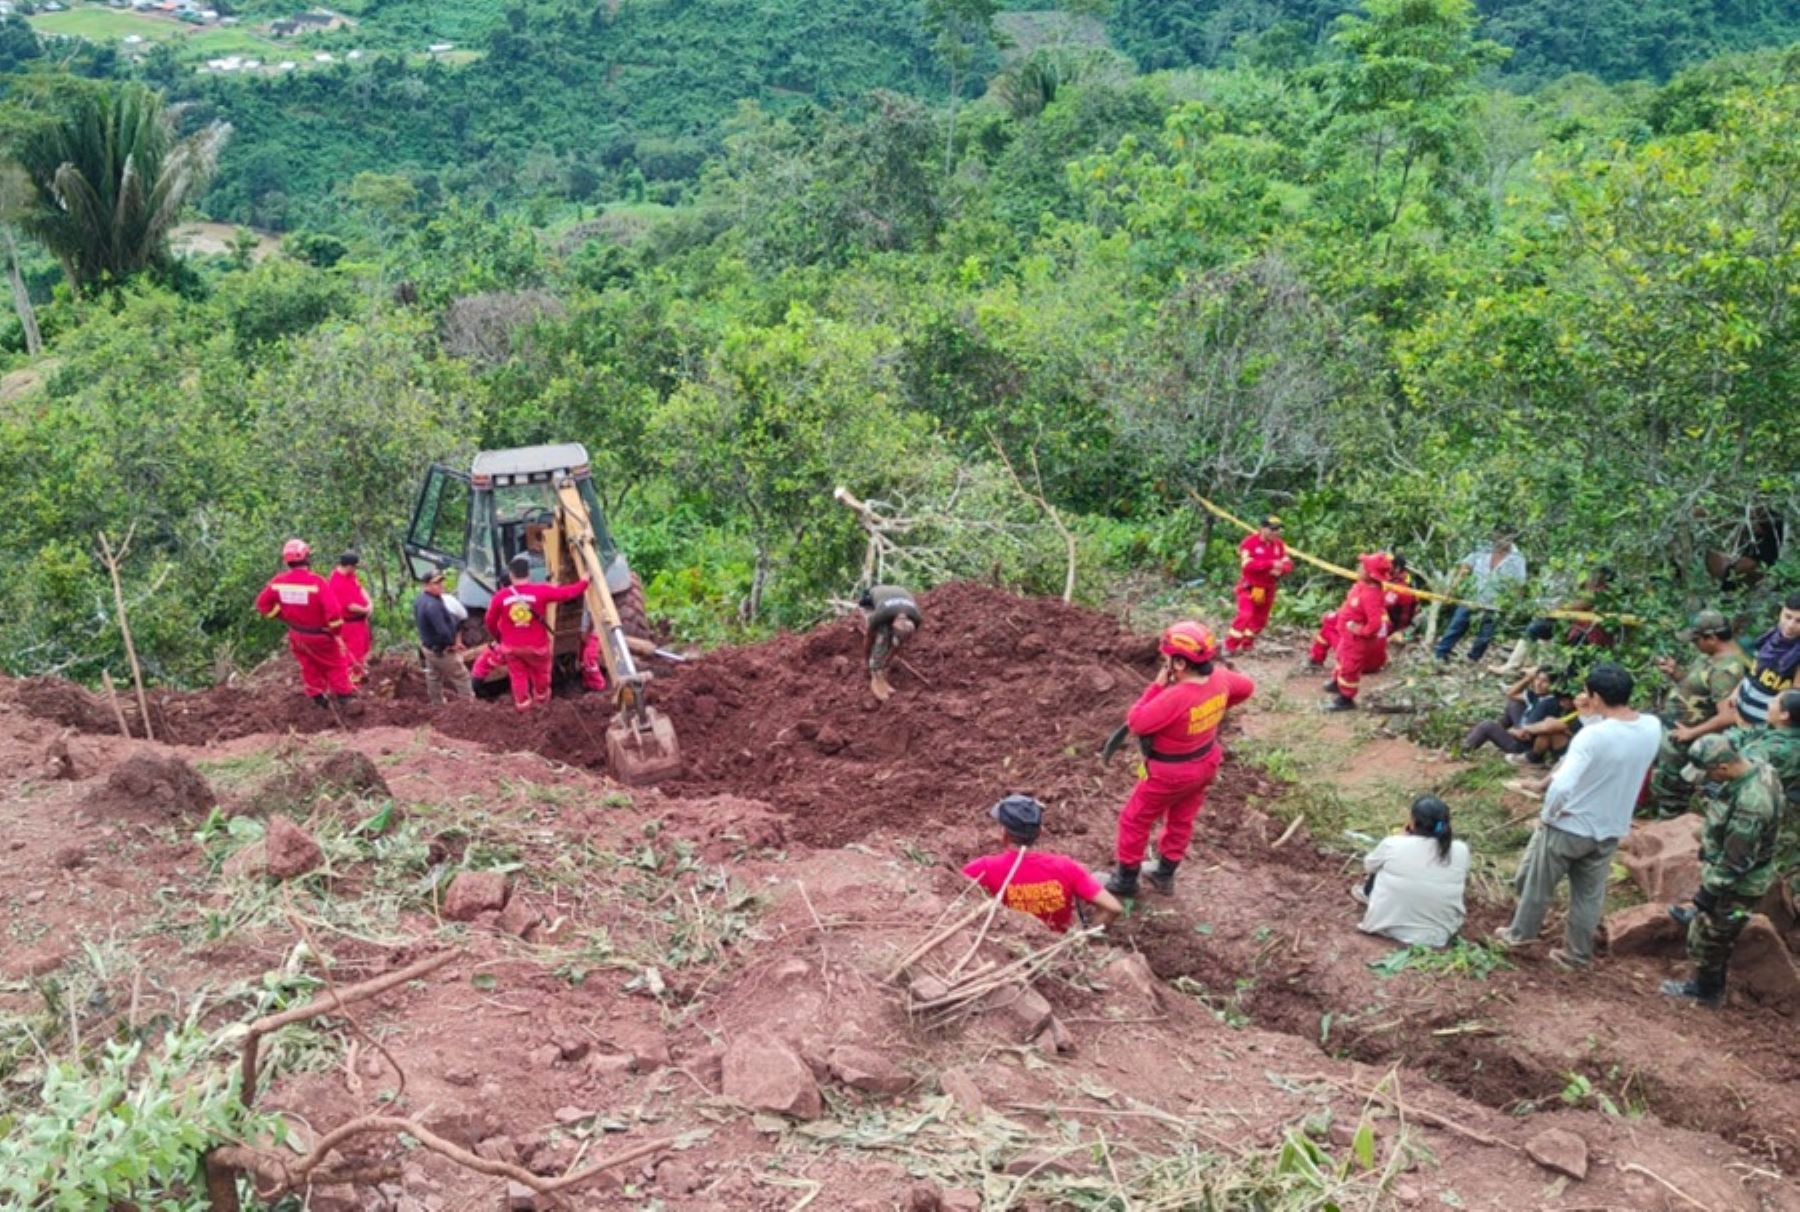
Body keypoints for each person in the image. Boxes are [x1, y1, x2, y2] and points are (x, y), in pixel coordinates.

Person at [1494, 663, 1661, 970]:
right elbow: (1617, 736)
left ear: (1596, 695)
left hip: (1571, 824)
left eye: (1587, 693)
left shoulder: (1591, 737)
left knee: (1537, 885)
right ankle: (1576, 955)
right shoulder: (1651, 727)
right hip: (1610, 828)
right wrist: (1591, 716)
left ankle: (1520, 935)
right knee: (1588, 895)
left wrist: (1549, 815)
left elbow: (1562, 784)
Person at [1106, 621, 1254, 898]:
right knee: (1182, 818)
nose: (1164, 664)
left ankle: (1125, 881)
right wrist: (1217, 709)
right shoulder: (1220, 679)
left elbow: (1136, 722)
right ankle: (1165, 874)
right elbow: (1246, 687)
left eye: (1167, 660)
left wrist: (1156, 686)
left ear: (1180, 664)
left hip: (1169, 773)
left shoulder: (1176, 697)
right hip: (1205, 762)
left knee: (1134, 819)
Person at [1660, 734, 1784, 1008]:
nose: (1705, 780)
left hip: (1739, 884)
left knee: (1712, 940)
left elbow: (1736, 862)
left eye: (1708, 774)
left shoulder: (1751, 806)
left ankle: (1706, 991)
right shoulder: (1758, 767)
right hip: (1730, 870)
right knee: (1712, 921)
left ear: (1723, 767)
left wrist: (1709, 891)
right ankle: (1705, 916)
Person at [962, 794, 1123, 933]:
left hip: (1012, 949)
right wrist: (1084, 939)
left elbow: (950, 888)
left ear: (1004, 834)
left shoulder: (984, 868)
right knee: (1098, 879)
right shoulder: (1066, 866)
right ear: (1039, 832)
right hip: (1056, 949)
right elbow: (1113, 908)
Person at [1644, 611, 1751, 816]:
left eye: (1696, 640)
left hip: (1688, 739)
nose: (1694, 644)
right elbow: (1699, 689)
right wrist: (1676, 673)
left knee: (1673, 791)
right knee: (1664, 785)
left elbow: (1728, 716)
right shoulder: (1709, 657)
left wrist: (1691, 734)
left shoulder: (1726, 670)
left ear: (1712, 638)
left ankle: (1672, 831)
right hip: (1677, 732)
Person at [1355, 796, 1471, 948]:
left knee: (1380, 865)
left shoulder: (1393, 844)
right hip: (1440, 935)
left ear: (1413, 822)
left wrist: (1403, 837)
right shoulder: (1461, 849)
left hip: (1386, 927)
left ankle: (1367, 896)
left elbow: (1368, 866)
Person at [483, 555, 589, 711]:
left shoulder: (500, 596)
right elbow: (567, 593)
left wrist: (500, 638)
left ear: (511, 575)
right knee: (541, 676)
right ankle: (541, 706)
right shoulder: (541, 591)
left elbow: (489, 621)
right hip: (537, 647)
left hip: (512, 648)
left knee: (518, 678)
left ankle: (524, 709)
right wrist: (584, 581)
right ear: (529, 574)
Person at [1434, 532, 1527, 664]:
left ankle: (1473, 659)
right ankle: (1440, 654)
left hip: (1495, 602)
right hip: (1473, 596)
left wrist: (1514, 604)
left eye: (1506, 538)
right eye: (1499, 537)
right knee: (1457, 624)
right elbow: (1466, 567)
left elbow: (1519, 584)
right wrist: (1453, 588)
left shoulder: (1517, 559)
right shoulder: (1482, 548)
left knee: (1485, 634)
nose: (1501, 541)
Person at [1323, 552, 1392, 712]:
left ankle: (1346, 698)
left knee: (1350, 666)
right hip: (1347, 636)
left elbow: (1375, 623)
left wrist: (1361, 631)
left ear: (1370, 573)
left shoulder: (1372, 595)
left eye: (1363, 566)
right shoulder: (1361, 586)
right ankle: (1337, 682)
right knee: (1341, 657)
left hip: (1357, 640)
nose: (1359, 568)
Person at [1725, 591, 1800, 726]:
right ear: (1781, 612)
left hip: (1763, 727)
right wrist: (1737, 690)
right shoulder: (1771, 636)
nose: (1790, 625)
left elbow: (1794, 701)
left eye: (1798, 621)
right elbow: (1755, 671)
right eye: (1787, 617)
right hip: (1739, 714)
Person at [1459, 668, 1566, 758]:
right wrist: (1527, 679)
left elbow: (1525, 735)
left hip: (1521, 746)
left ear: (1553, 685)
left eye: (1545, 681)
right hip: (1522, 727)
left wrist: (1509, 731)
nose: (1538, 684)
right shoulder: (1538, 695)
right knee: (1514, 703)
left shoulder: (1547, 704)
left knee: (1487, 726)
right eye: (1537, 679)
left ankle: (1461, 751)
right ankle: (1492, 731)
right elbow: (1511, 694)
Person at [1225, 516, 1293, 655]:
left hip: (1267, 588)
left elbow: (1287, 562)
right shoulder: (1249, 543)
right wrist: (1270, 564)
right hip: (1249, 587)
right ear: (1262, 529)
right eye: (1273, 529)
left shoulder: (1279, 545)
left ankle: (1247, 644)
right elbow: (1247, 565)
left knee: (1260, 620)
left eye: (1278, 529)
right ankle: (1229, 646)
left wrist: (1281, 570)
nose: (1276, 533)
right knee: (1245, 614)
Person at [413, 570, 474, 705]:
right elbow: (443, 631)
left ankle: (437, 704)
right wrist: (452, 644)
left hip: (428, 647)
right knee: (461, 676)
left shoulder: (421, 600)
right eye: (436, 583)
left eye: (441, 581)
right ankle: (469, 707)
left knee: (433, 676)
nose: (441, 585)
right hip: (441, 650)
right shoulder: (433, 605)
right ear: (426, 585)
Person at [858, 585, 922, 702]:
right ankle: (875, 675)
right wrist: (868, 662)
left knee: (895, 639)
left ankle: (880, 671)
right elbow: (869, 637)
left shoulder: (916, 618)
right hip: (869, 600)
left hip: (895, 598)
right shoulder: (881, 615)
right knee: (883, 635)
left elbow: (899, 643)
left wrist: (886, 662)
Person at [328, 551, 373, 685]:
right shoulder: (336, 582)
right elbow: (350, 606)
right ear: (349, 566)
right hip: (350, 624)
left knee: (363, 648)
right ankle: (353, 682)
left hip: (360, 622)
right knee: (353, 652)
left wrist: (370, 602)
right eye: (354, 567)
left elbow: (360, 588)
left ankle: (361, 672)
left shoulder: (350, 575)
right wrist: (365, 609)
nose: (355, 570)